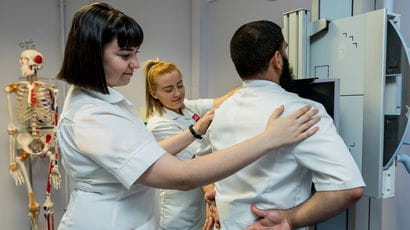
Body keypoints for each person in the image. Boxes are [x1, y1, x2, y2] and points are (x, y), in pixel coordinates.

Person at [55, 3, 320, 230]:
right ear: (91, 56)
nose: (135, 64)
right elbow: (181, 176)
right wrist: (269, 139)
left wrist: (196, 130)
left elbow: (146, 152)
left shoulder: (106, 101)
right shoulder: (91, 116)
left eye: (136, 54)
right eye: (125, 55)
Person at [207, 20, 366, 230]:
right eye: (285, 50)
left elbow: (203, 165)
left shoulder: (220, 112)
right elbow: (349, 189)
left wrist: (213, 198)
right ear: (277, 59)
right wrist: (291, 219)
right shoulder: (302, 112)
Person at [145, 59, 230, 229]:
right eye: (169, 90)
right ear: (154, 93)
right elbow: (195, 161)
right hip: (177, 212)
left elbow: (223, 100)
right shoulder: (159, 124)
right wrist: (212, 197)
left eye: (180, 85)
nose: (177, 94)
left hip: (196, 204)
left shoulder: (188, 107)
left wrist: (252, 84)